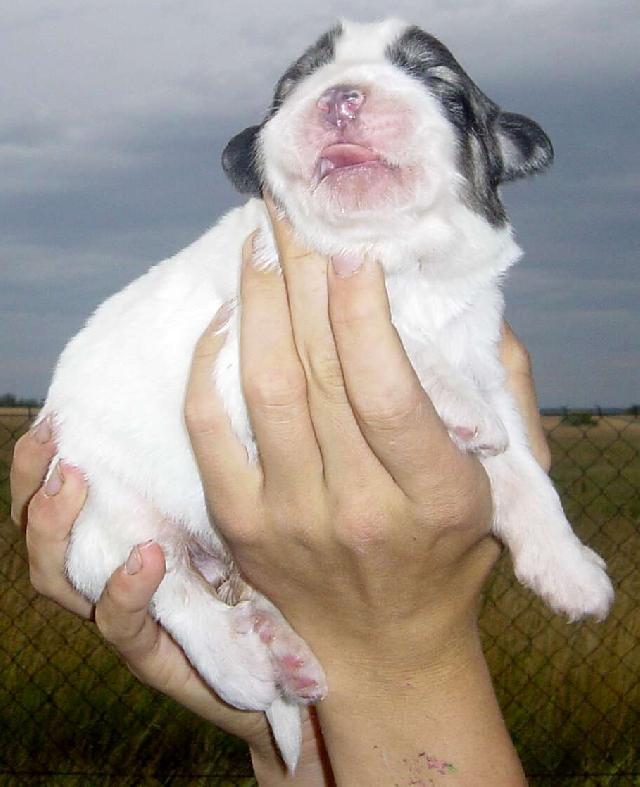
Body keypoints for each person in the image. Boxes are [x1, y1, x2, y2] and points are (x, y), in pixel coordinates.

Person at [11, 203, 549, 785]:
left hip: (198, 497)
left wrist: (335, 712)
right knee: (103, 545)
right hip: (140, 472)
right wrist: (314, 728)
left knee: (111, 548)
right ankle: (214, 625)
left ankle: (232, 631)